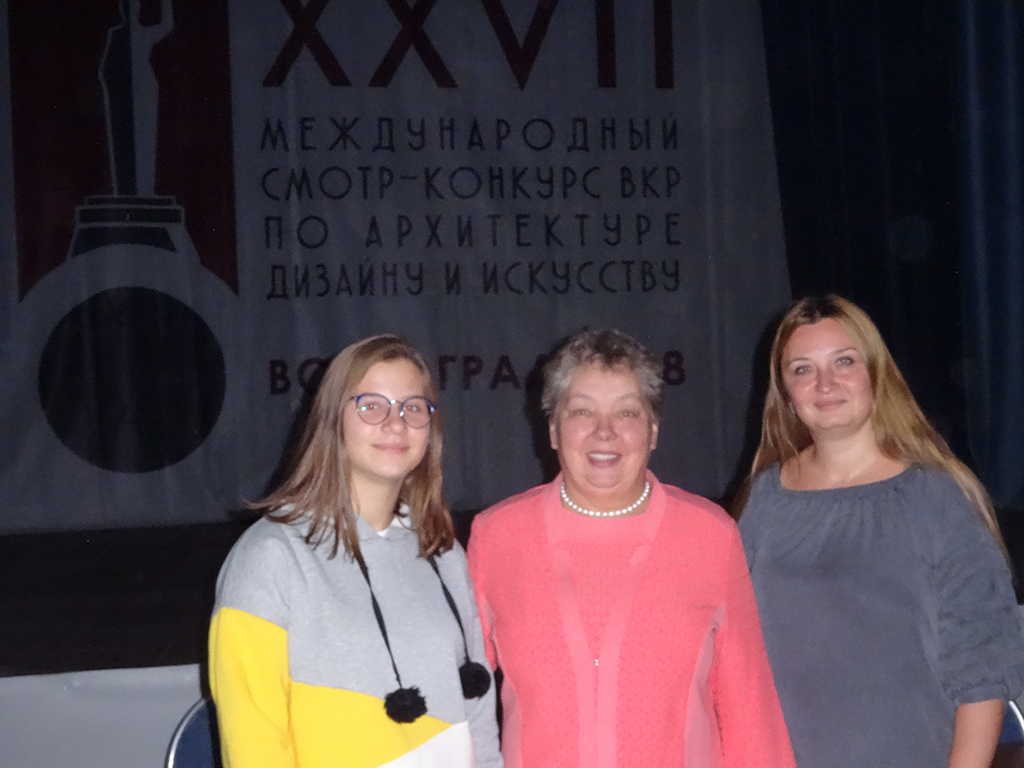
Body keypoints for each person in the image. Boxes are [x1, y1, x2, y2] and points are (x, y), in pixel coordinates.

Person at [467, 328, 795, 768]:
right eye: (582, 411)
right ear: (553, 429)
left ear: (653, 430)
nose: (604, 432)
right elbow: (456, 701)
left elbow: (749, 709)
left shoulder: (709, 536)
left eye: (626, 413)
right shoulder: (497, 537)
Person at [737, 295, 1024, 768]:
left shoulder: (936, 496)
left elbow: (983, 666)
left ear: (876, 372)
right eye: (803, 369)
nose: (824, 383)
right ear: (785, 390)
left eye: (843, 362)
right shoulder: (766, 500)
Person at [209, 335, 502, 768]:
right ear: (332, 420)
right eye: (372, 405)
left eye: (413, 408)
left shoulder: (443, 554)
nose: (396, 424)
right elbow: (254, 744)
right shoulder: (270, 557)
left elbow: (477, 714)